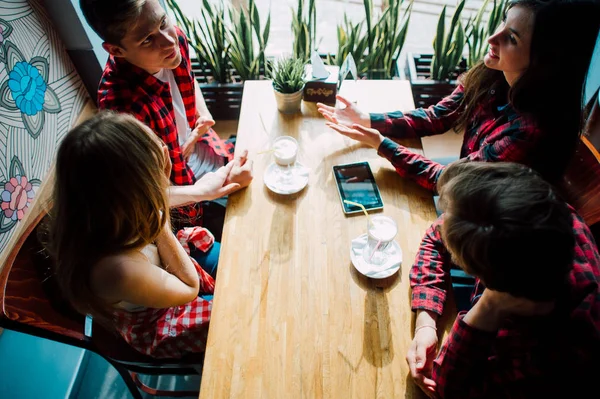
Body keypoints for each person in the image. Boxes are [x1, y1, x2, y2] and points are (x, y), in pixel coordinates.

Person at [318, 0, 600, 192]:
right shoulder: (495, 74)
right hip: (467, 181)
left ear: (544, 60)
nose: (492, 38)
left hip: (481, 224)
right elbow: (438, 117)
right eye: (503, 21)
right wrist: (368, 119)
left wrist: (382, 144)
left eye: (511, 38)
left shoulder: (530, 132)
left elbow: (451, 180)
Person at [45, 111, 232, 358]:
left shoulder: (95, 210)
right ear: (133, 192)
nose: (166, 154)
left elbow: (156, 198)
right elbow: (188, 288)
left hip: (164, 269)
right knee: (233, 316)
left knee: (233, 263)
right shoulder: (117, 270)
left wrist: (201, 191)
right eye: (158, 160)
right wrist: (160, 221)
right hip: (163, 315)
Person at [406, 160, 600, 398]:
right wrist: (425, 322)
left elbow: (449, 389)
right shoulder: (540, 214)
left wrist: (488, 305)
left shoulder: (557, 356)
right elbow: (436, 236)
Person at [80, 0, 253, 241]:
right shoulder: (121, 111)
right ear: (116, 50)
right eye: (147, 39)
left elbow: (189, 80)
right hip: (187, 199)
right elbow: (143, 194)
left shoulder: (172, 41)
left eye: (163, 22)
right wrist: (203, 192)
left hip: (211, 151)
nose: (169, 41)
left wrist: (201, 113)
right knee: (250, 235)